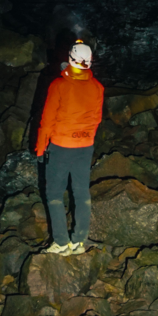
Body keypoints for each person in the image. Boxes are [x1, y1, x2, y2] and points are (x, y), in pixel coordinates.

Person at [35, 39, 104, 255]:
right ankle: (79, 242)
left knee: (55, 194)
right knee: (81, 192)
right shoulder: (98, 87)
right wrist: (86, 138)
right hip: (85, 146)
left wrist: (40, 148)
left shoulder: (59, 85)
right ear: (90, 62)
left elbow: (46, 120)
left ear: (70, 59)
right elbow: (97, 118)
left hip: (61, 146)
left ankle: (61, 243)